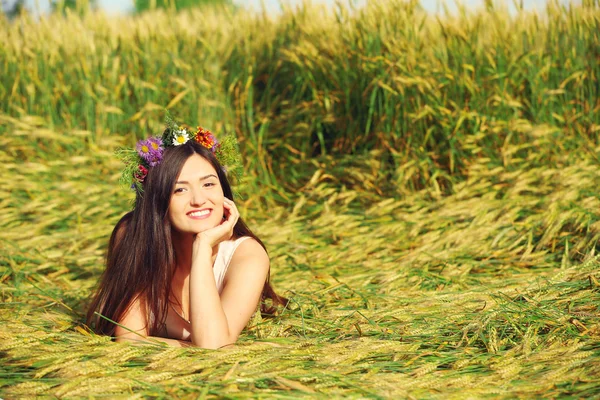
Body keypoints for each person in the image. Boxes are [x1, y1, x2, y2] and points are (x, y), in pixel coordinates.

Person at [86, 117, 287, 349]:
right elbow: (129, 339)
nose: (199, 200)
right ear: (157, 199)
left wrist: (202, 247)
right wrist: (193, 347)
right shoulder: (134, 236)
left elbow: (212, 345)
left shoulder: (247, 256)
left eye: (209, 184)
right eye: (180, 189)